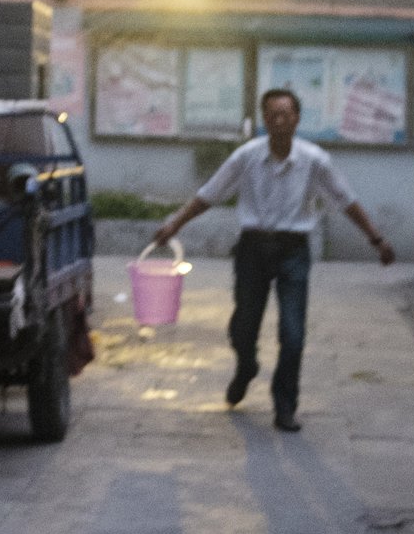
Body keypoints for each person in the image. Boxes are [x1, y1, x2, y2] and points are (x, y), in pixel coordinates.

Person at [151, 89, 397, 432]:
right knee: (243, 327)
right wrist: (173, 224)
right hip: (253, 249)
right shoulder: (246, 156)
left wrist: (377, 239)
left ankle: (284, 405)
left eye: (285, 114)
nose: (278, 121)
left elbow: (346, 200)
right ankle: (246, 367)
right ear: (264, 119)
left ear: (297, 119)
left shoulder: (315, 160)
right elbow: (209, 194)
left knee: (293, 333)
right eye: (272, 115)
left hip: (293, 251)